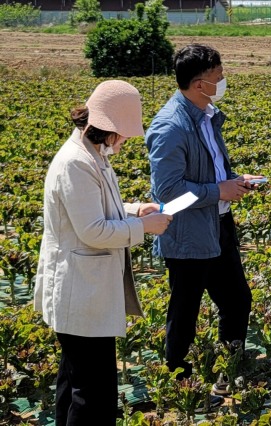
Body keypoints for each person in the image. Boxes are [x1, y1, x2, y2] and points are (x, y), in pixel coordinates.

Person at [34, 80, 172, 425]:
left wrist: (135, 210)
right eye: (124, 133)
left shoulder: (90, 154)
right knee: (93, 395)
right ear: (108, 128)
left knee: (75, 383)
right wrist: (144, 227)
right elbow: (93, 230)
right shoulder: (76, 163)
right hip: (81, 291)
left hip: (87, 291)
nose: (125, 140)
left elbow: (94, 209)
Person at [146, 44, 258, 394]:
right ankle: (180, 384)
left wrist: (234, 181)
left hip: (218, 225)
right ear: (198, 84)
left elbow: (211, 170)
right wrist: (217, 191)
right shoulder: (170, 127)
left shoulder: (207, 115)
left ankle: (228, 371)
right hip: (187, 233)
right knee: (185, 312)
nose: (223, 82)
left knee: (237, 300)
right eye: (218, 77)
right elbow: (168, 193)